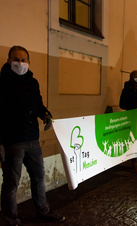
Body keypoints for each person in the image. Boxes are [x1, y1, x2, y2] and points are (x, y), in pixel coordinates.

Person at [0, 46, 65, 225]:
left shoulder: (32, 82)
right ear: (8, 60)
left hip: (32, 139)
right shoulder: (2, 82)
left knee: (39, 177)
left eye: (23, 60)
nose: (20, 63)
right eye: (16, 59)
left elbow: (38, 105)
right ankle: (10, 219)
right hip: (12, 141)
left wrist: (45, 114)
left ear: (29, 62)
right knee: (11, 183)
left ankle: (43, 211)